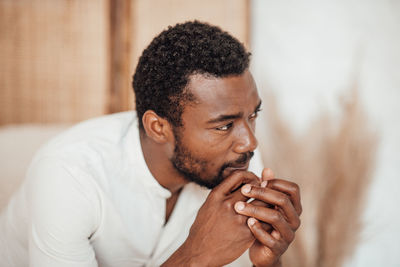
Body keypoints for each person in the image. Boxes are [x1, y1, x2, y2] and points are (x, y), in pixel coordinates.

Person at [0, 21, 301, 267]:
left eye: (253, 115)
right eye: (224, 125)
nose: (250, 141)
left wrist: (266, 262)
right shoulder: (68, 175)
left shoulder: (237, 158)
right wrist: (196, 257)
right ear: (158, 127)